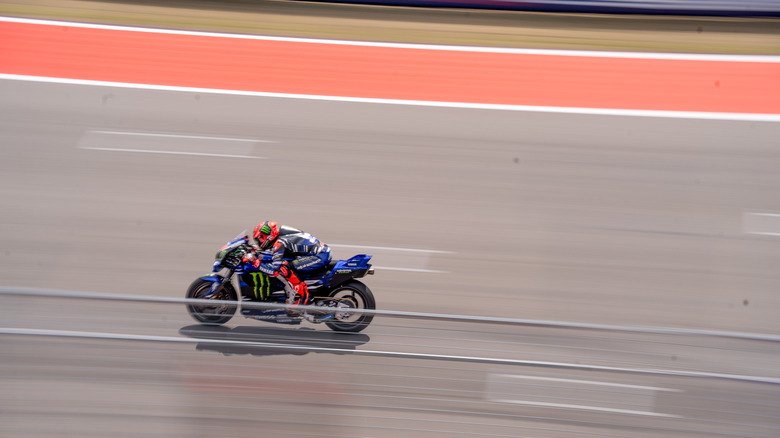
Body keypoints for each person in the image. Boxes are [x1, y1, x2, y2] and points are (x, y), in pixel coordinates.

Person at [241, 221, 331, 312]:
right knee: (287, 262)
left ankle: (303, 296)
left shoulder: (280, 243)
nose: (259, 241)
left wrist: (255, 261)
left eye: (260, 238)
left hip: (320, 256)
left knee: (283, 266)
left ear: (268, 236)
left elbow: (273, 270)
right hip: (319, 251)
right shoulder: (281, 233)